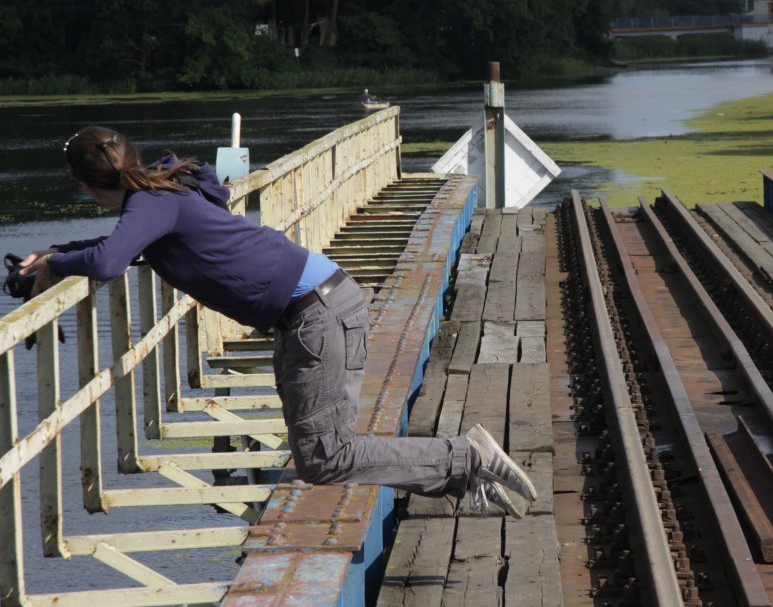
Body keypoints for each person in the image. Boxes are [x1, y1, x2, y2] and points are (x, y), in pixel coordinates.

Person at [21, 126, 536, 517]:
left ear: (88, 187)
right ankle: (463, 474)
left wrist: (57, 263)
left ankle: (464, 459)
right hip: (313, 310)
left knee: (328, 458)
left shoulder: (151, 201)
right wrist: (58, 253)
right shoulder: (161, 193)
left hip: (317, 315)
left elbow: (110, 261)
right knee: (322, 457)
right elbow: (121, 245)